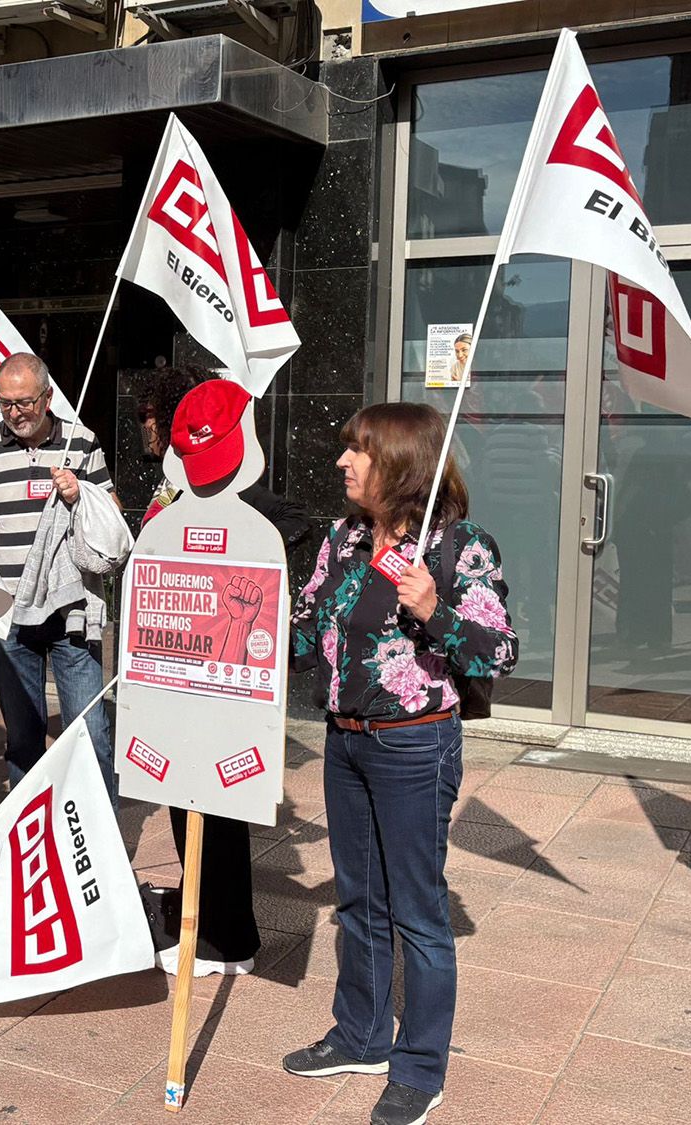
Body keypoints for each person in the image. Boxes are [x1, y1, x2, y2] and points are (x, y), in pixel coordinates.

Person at [282, 403, 517, 1125]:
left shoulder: (460, 546)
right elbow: (303, 630)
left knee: (417, 910)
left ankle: (420, 1067)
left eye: (359, 452)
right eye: (346, 450)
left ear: (402, 464)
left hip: (414, 744)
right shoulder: (342, 538)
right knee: (358, 899)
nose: (342, 463)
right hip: (345, 737)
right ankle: (360, 1035)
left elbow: (499, 653)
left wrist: (434, 608)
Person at [134, 370, 312, 979]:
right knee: (190, 807)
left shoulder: (260, 514)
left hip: (229, 691)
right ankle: (208, 920)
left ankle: (226, 936)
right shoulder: (176, 509)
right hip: (182, 684)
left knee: (218, 811)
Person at [0, 352, 120, 803]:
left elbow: (113, 518)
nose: (15, 413)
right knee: (23, 738)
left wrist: (80, 492)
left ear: (47, 398)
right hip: (9, 616)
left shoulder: (81, 442)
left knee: (90, 732)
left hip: (72, 612)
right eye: (5, 403)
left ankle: (100, 842)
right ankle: (29, 849)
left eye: (24, 402)